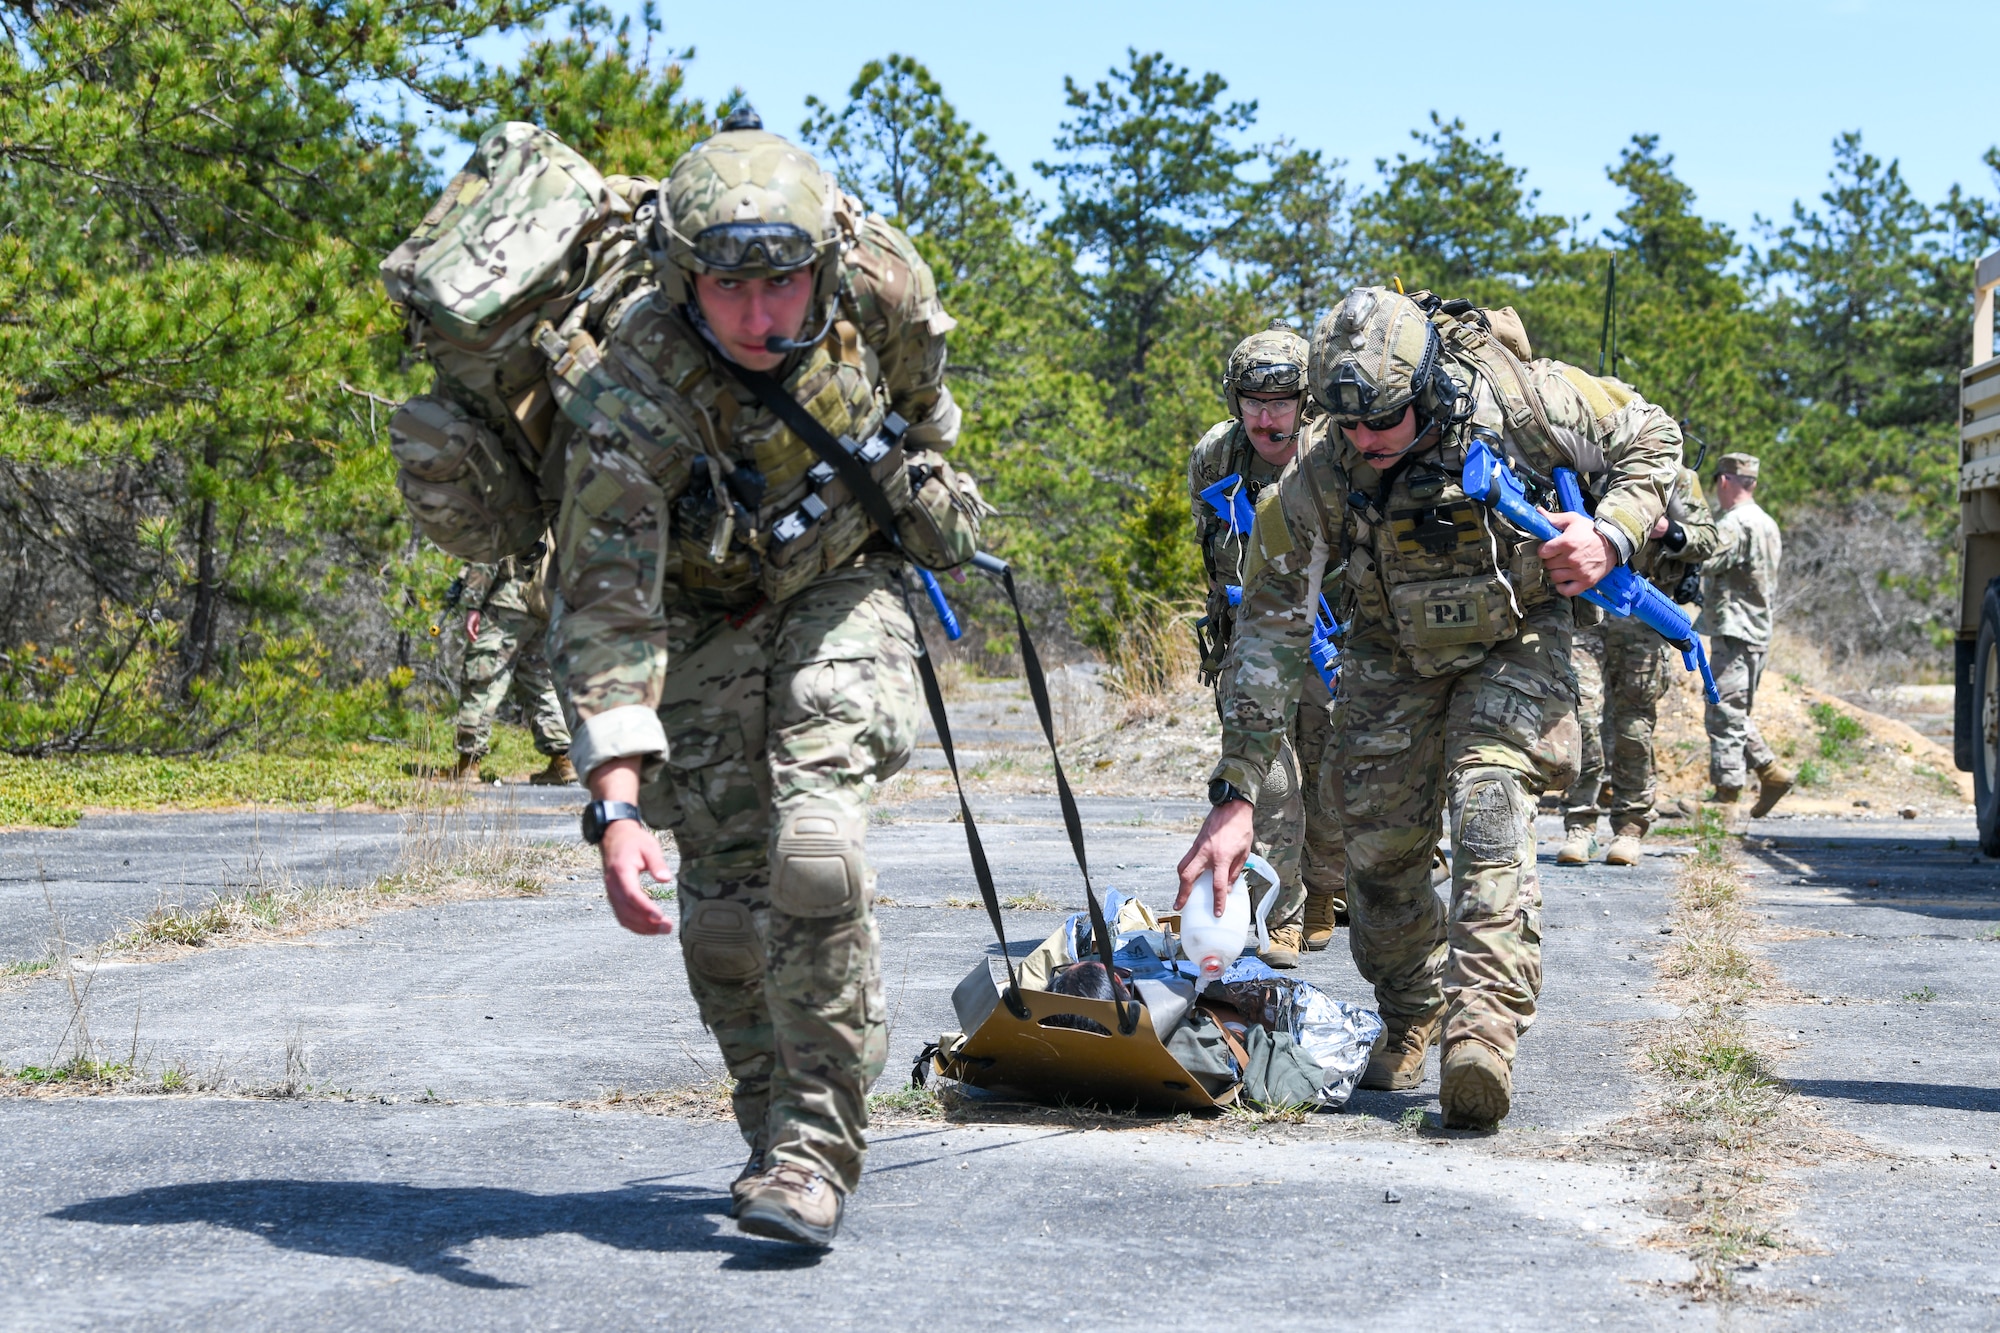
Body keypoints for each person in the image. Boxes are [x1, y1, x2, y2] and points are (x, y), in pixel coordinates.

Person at [549, 109, 969, 1246]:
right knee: (726, 908)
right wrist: (616, 805)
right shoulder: (633, 385)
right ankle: (765, 1129)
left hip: (844, 578)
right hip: (696, 613)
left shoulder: (881, 285)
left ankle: (816, 1146)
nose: (755, 315)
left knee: (816, 844)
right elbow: (604, 602)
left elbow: (931, 417)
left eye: (780, 285)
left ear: (822, 265)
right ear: (681, 276)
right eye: (725, 290)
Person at [1176, 287, 1679, 1129]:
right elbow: (1267, 634)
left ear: (1430, 388)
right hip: (1391, 652)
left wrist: (1612, 533)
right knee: (1376, 858)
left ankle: (1482, 1026)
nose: (1366, 444)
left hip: (1514, 638)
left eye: (1382, 422)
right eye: (1349, 428)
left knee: (1489, 803)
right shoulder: (1325, 471)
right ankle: (1413, 1003)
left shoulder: (1526, 402)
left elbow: (1652, 431)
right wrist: (1234, 796)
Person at [1188, 321, 1344, 963]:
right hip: (1255, 644)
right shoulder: (1216, 458)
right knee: (1269, 775)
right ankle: (1275, 909)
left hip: (1337, 642)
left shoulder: (1332, 453)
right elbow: (1212, 550)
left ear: (1305, 401)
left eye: (1281, 400)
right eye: (1253, 401)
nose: (1266, 416)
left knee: (1332, 776)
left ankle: (1324, 891)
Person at [1558, 463, 1718, 865]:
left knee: (1633, 725)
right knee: (1582, 716)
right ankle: (1580, 824)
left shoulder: (1674, 477)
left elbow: (1708, 539)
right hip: (1586, 611)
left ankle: (1630, 827)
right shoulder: (1577, 464)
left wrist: (1668, 530)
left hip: (1644, 611)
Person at [1701, 451, 1789, 815]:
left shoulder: (1734, 524)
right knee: (1733, 710)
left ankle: (1726, 798)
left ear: (1724, 481)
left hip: (1735, 628)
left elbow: (1703, 558)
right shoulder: (1766, 522)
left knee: (1722, 710)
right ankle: (1770, 772)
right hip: (1756, 628)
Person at [451, 546, 574, 785]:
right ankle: (562, 760)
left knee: (482, 678)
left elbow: (487, 549)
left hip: (506, 604)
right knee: (539, 681)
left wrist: (474, 603)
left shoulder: (507, 507)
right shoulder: (551, 509)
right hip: (543, 604)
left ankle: (468, 763)